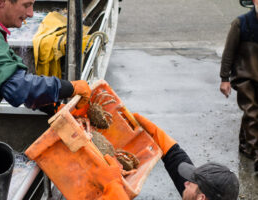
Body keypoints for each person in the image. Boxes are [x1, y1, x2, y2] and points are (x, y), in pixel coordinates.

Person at [0, 0, 91, 197]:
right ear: (2, 2)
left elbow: (8, 77)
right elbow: (17, 87)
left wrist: (53, 107)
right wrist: (70, 88)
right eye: (26, 5)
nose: (30, 13)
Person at [97, 113, 239, 200]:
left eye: (190, 183)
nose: (185, 183)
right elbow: (176, 160)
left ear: (201, 198)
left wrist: (113, 188)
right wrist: (159, 137)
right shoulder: (208, 195)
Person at [219, 0, 258, 171]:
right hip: (244, 76)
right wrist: (224, 78)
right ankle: (256, 153)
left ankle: (245, 145)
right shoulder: (241, 23)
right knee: (252, 112)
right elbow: (229, 52)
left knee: (253, 112)